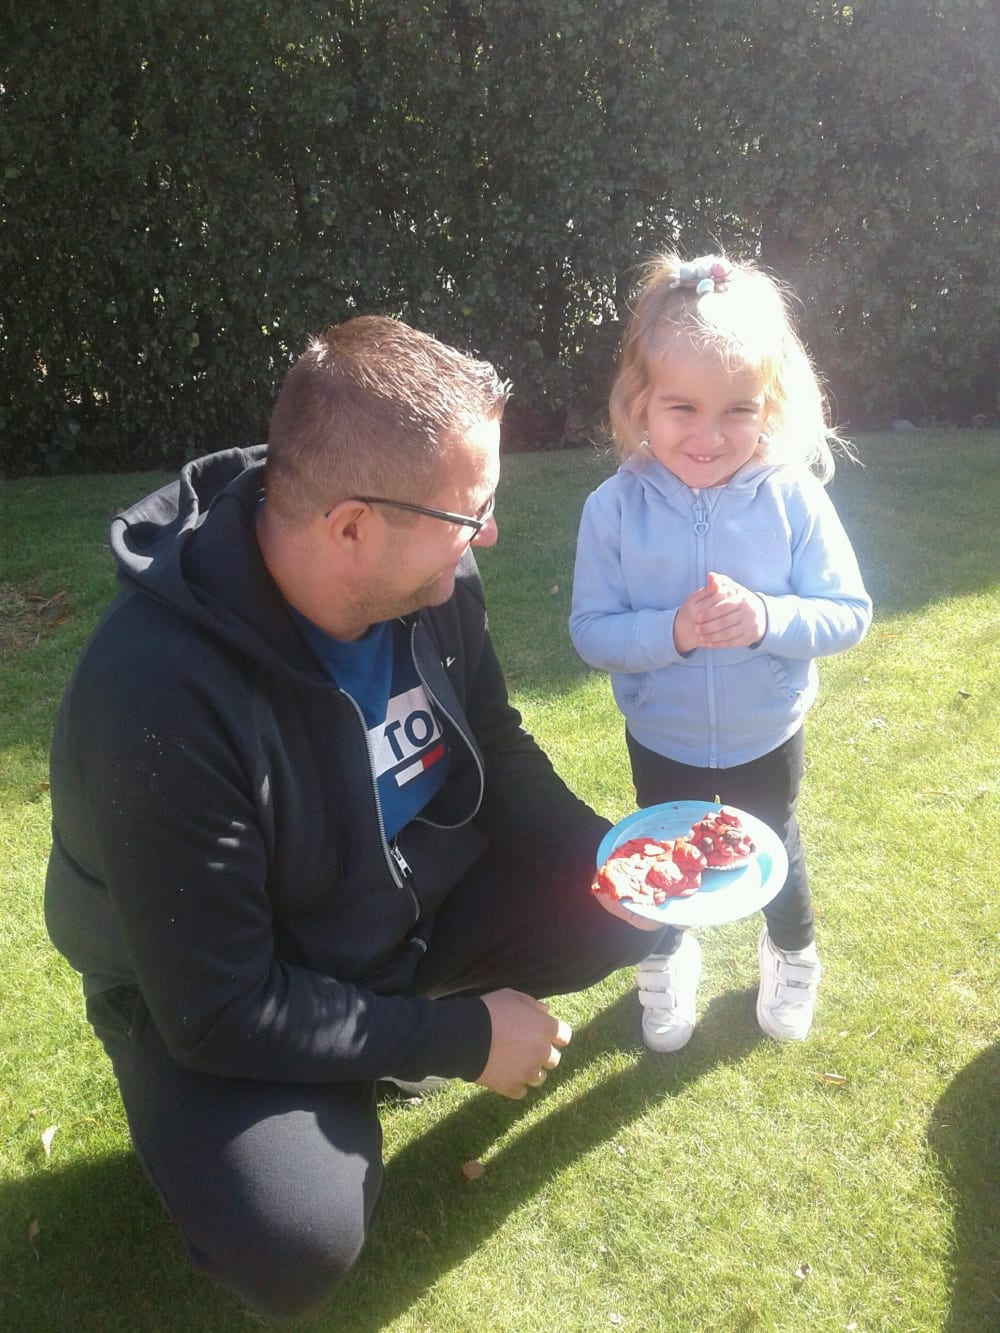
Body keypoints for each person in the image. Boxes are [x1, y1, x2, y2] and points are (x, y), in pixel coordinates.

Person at [44, 316, 671, 1321]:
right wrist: (458, 1038)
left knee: (621, 905)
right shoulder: (156, 696)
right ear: (349, 529)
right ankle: (273, 1084)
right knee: (295, 1238)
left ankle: (366, 1044)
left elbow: (494, 739)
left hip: (392, 899)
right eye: (471, 511)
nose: (488, 533)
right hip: (215, 982)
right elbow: (220, 1006)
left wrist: (613, 856)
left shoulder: (430, 575)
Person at [569, 253, 872, 1054]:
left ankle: (793, 953)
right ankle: (667, 954)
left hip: (765, 731)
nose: (709, 436)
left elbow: (848, 612)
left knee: (772, 840)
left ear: (770, 404)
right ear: (640, 400)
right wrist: (673, 631)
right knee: (661, 847)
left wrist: (766, 618)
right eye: (683, 408)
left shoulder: (794, 497)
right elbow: (592, 631)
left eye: (738, 410)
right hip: (660, 733)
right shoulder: (612, 509)